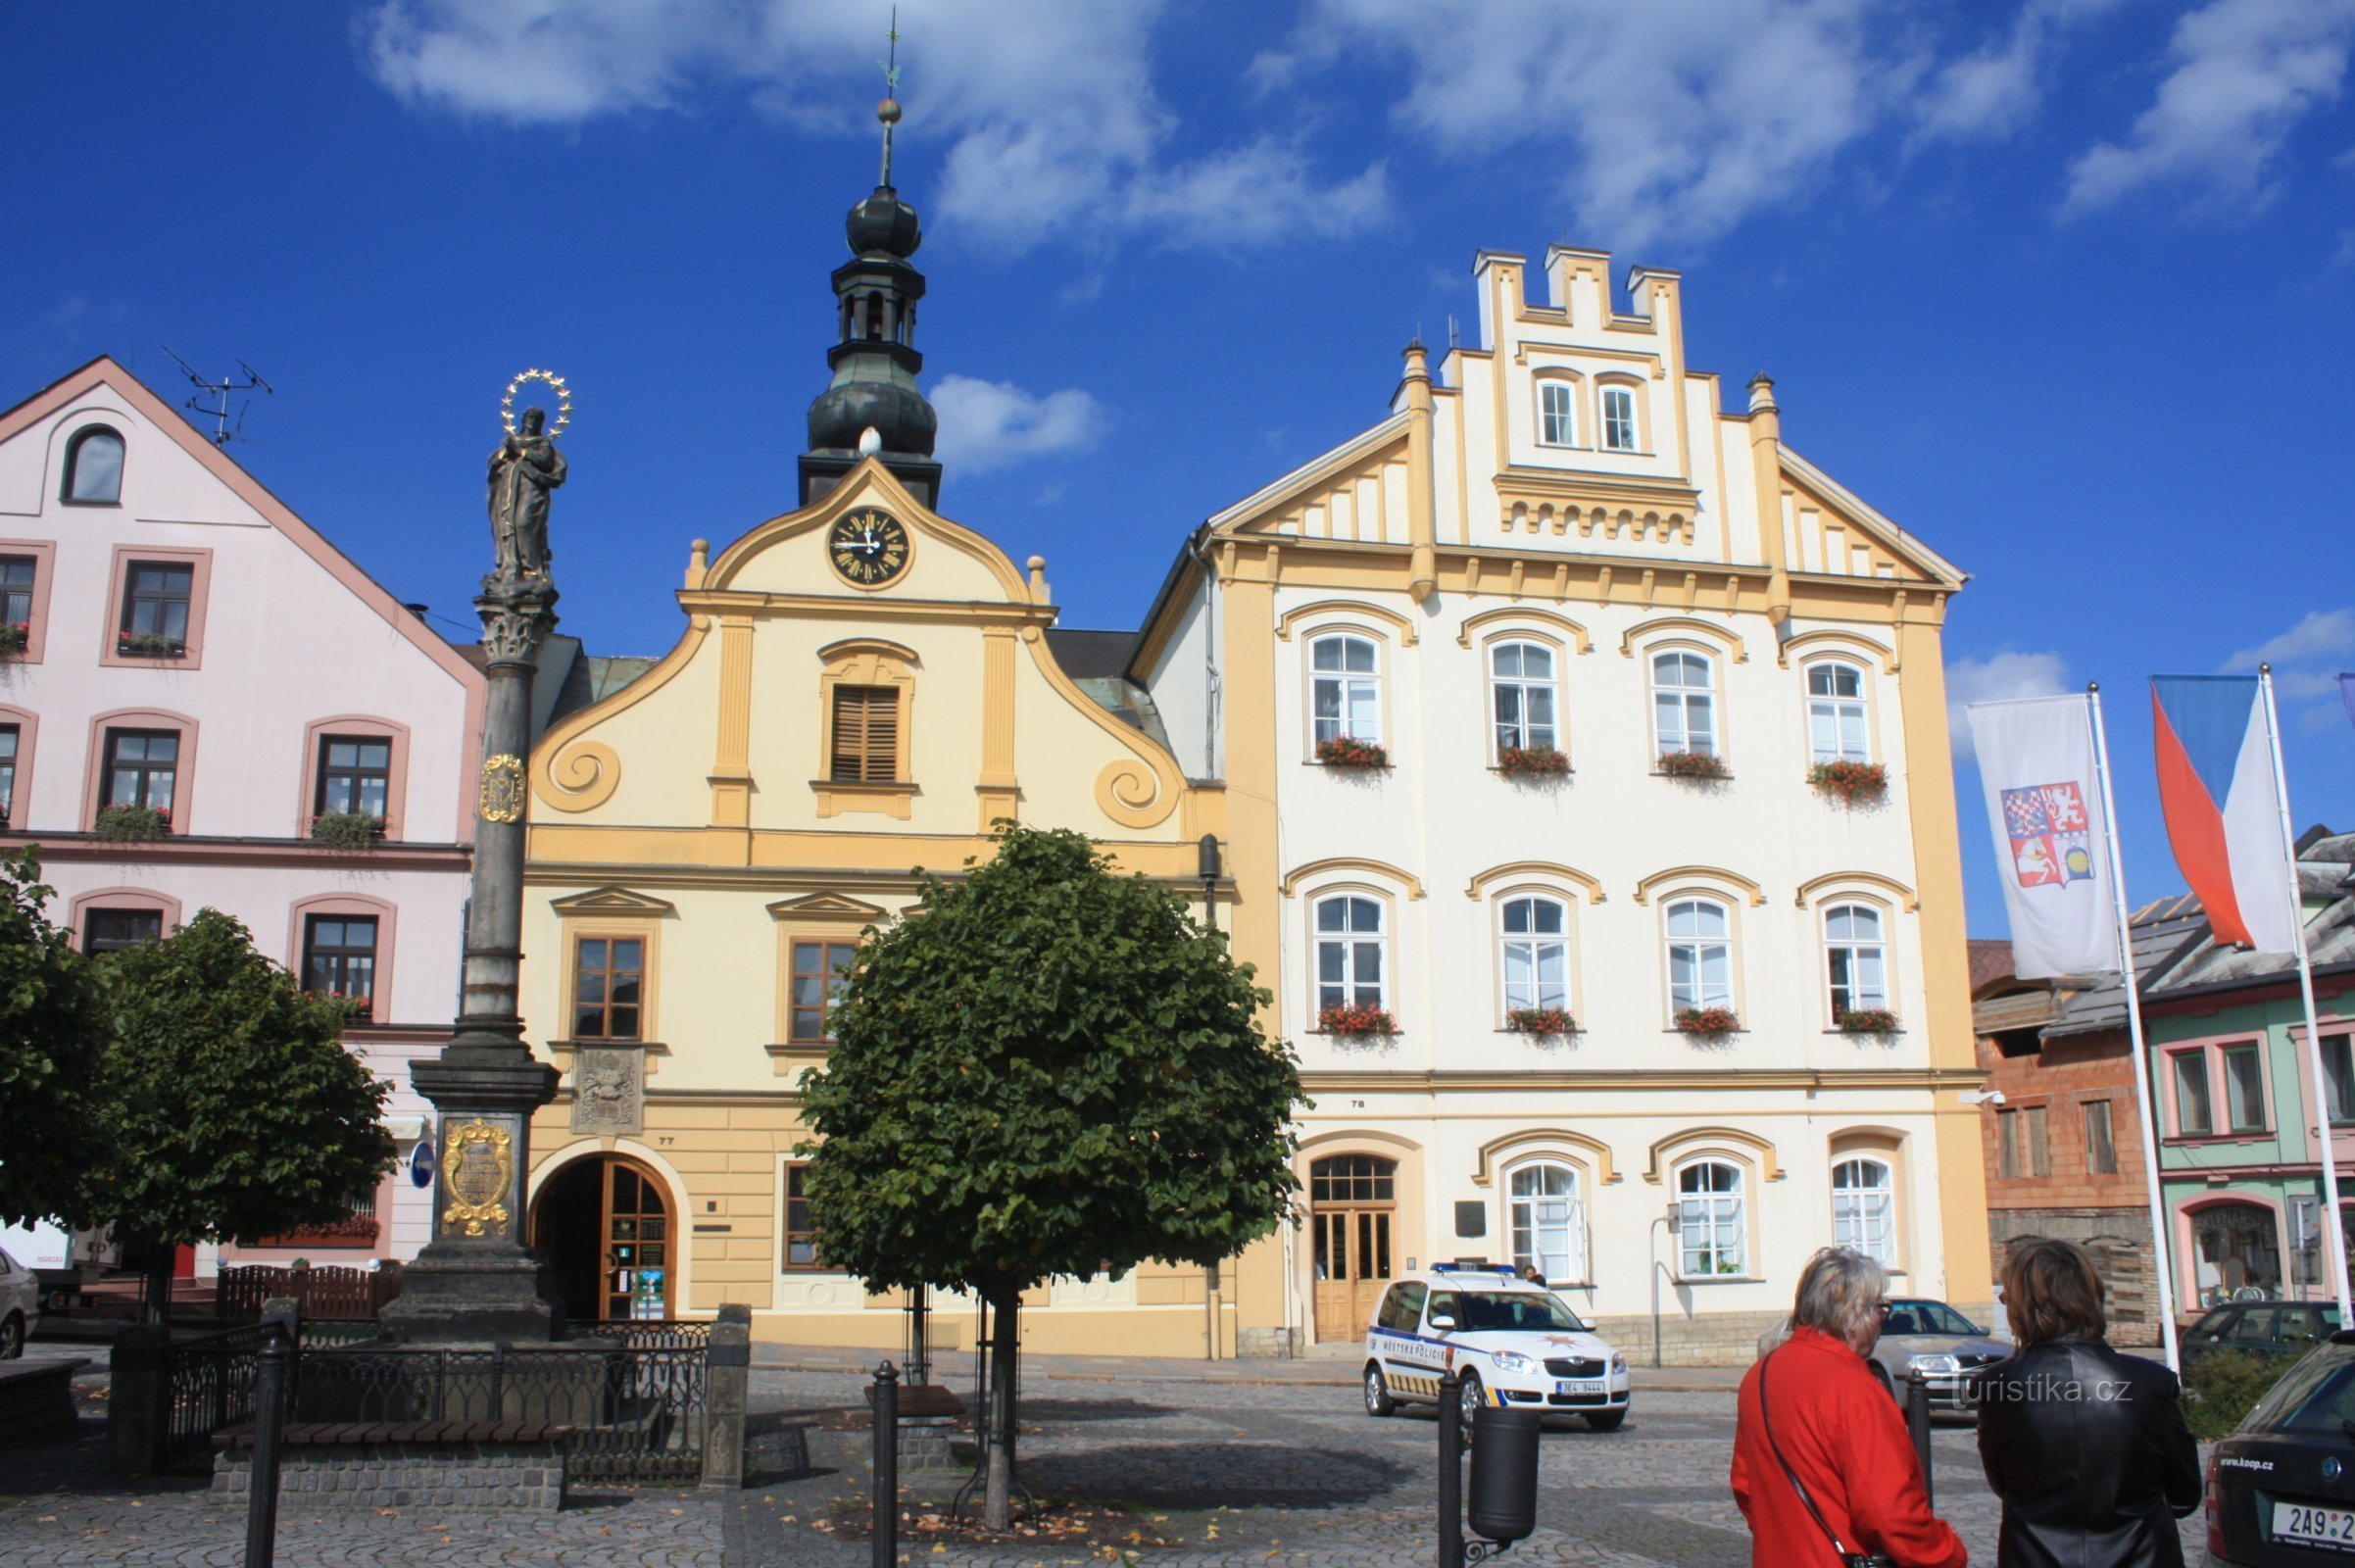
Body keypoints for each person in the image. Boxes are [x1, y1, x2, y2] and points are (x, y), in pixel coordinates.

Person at [1732, 1247, 1966, 1568]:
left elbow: (1746, 1487)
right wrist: (1948, 1553)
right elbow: (1888, 1511)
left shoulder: (1759, 1375)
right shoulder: (1856, 1388)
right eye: (1880, 1308)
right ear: (1853, 1314)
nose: (1883, 1319)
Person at [1977, 1238, 2199, 1568]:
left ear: (2023, 1306)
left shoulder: (1997, 1386)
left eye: (2006, 1297)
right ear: (2090, 1295)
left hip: (2035, 1557)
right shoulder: (2151, 1382)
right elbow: (2185, 1494)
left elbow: (2004, 1484)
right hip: (2141, 1556)